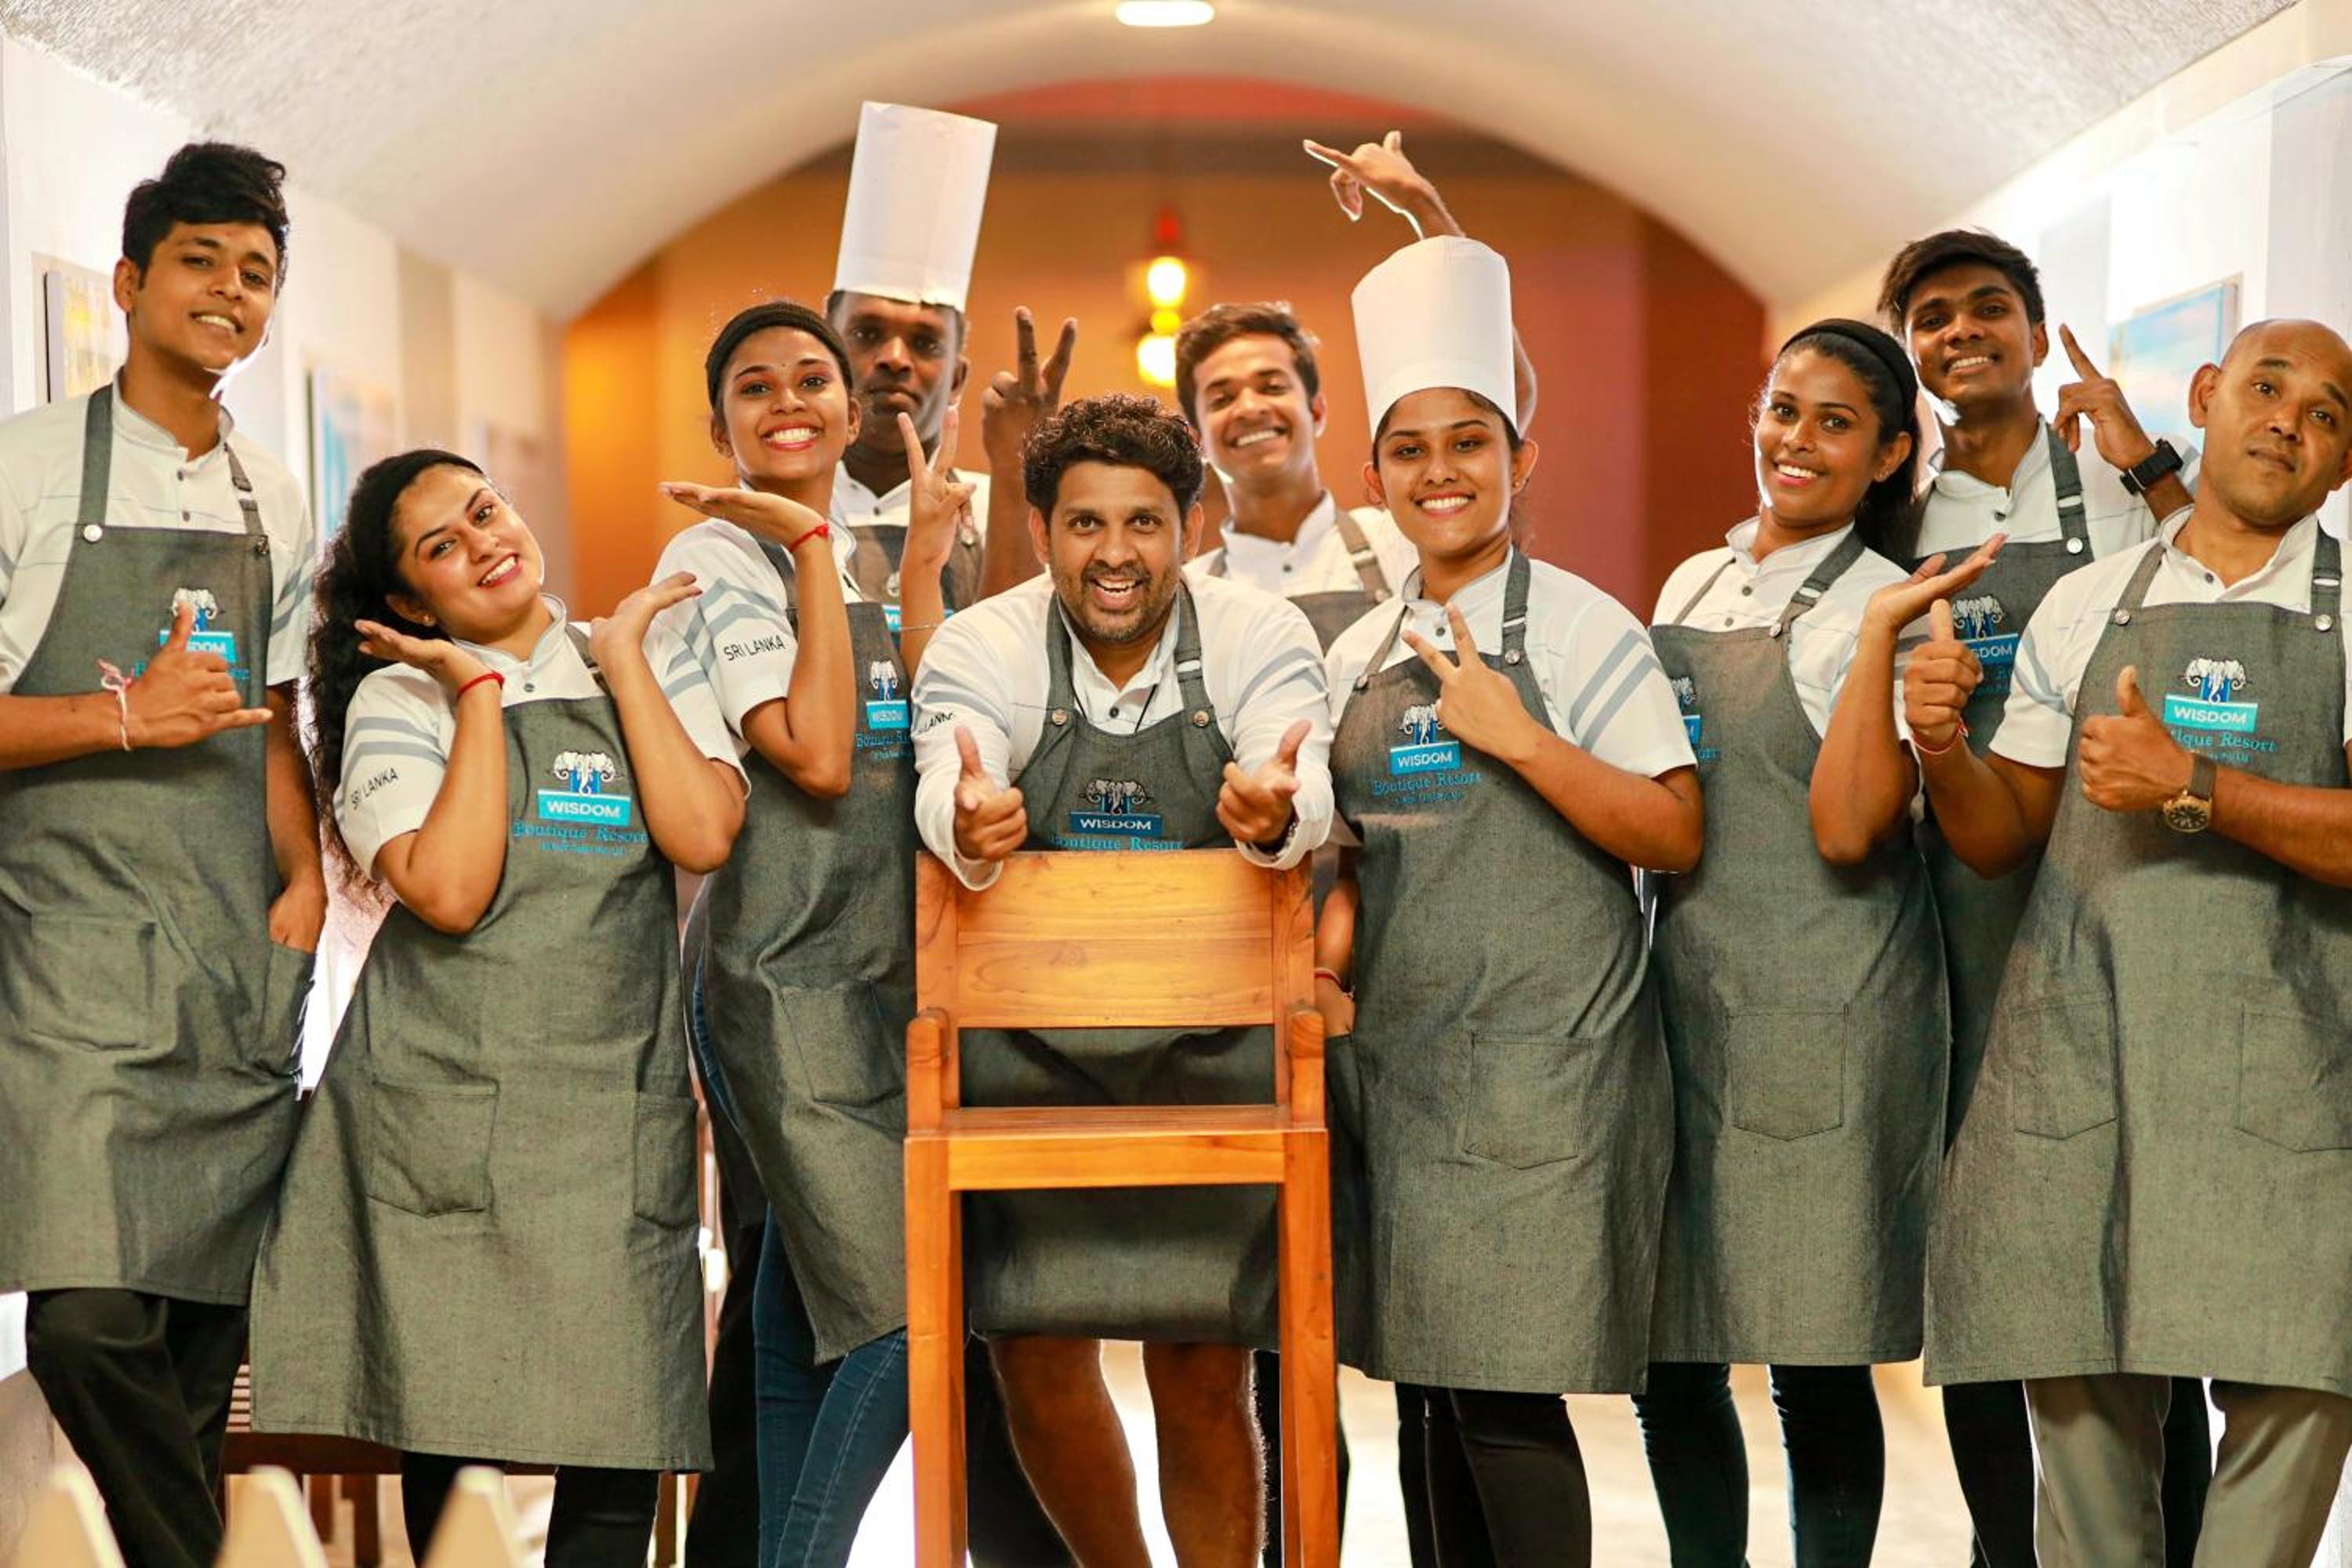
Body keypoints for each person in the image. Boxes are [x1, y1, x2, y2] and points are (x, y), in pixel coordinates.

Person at [247, 451, 745, 1565]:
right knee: (454, 1434)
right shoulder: (397, 699)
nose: (483, 543)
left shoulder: (637, 653)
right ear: (412, 603)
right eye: (442, 546)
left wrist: (624, 659)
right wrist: (475, 696)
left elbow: (702, 833)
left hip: (610, 1112)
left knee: (622, 1432)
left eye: (485, 511)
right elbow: (450, 889)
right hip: (443, 1109)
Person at [1919, 318, 2352, 1566]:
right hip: (2082, 1076)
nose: (2289, 421)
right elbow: (2001, 837)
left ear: (2345, 463)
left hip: (2295, 1087)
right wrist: (1940, 748)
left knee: (2298, 1400)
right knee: (2088, 1497)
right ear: (2207, 396)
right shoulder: (2084, 603)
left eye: (2327, 414)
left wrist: (2196, 787)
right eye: (2267, 388)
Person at [1318, 235, 1697, 1566]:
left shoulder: (1585, 628)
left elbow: (1673, 827)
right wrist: (1325, 976)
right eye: (1410, 450)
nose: (1442, 472)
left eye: (1469, 442)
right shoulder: (1357, 654)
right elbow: (1355, 860)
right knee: (1425, 1390)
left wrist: (1520, 737)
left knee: (1502, 1393)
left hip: (1545, 1070)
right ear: (1372, 478)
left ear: (1520, 457)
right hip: (1402, 1066)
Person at [657, 299, 1051, 1567]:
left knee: (793, 1325)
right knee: (904, 1315)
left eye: (810, 379)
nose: (790, 399)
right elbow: (819, 758)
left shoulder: (885, 554)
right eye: (755, 384)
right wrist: (816, 542)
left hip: (886, 975)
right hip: (781, 975)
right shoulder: (723, 557)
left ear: (846, 407)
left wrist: (925, 568)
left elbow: (952, 720)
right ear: (717, 425)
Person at [911, 392, 1334, 1566]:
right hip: (1028, 1059)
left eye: (1144, 522)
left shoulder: (1257, 633)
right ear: (1040, 531)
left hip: (1213, 1057)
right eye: (1086, 523)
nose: (1115, 552)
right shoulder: (982, 643)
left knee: (1202, 1364)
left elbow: (1296, 764)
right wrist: (969, 820)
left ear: (1190, 528)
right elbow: (950, 765)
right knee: (1036, 1357)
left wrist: (1275, 813)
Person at [0, 143, 319, 1568]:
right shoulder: (21, 466)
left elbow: (275, 725)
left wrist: (303, 884)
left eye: (256, 273)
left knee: (197, 1340)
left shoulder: (273, 495)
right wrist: (121, 716)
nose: (230, 291)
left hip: (227, 956)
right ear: (129, 283)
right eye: (201, 261)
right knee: (83, 1318)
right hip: (64, 955)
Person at [1875, 228, 2209, 1567]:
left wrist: (2145, 458)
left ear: (2033, 325)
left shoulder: (2119, 485)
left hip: (2122, 885)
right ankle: (2001, 1549)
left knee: (2140, 1246)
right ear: (1912, 349)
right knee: (1982, 1257)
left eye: (1988, 309)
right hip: (1961, 904)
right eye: (1934, 317)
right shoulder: (1897, 519)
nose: (1962, 332)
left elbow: (2220, 579)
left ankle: (2168, 1539)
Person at [1636, 318, 1952, 1566]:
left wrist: (1876, 645)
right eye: (1783, 410)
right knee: (1673, 1354)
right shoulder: (1692, 585)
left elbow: (1851, 828)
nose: (1797, 441)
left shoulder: (1898, 607)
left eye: (1836, 423)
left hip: (1832, 1004)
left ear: (1889, 455)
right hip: (1687, 996)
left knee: (1815, 1356)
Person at [826, 101, 997, 630]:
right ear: (825, 352)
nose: (895, 359)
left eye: (925, 343)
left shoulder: (999, 515)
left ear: (957, 379)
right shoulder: (773, 507)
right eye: (866, 334)